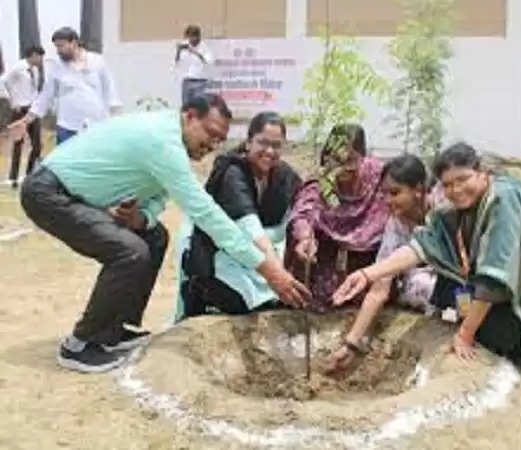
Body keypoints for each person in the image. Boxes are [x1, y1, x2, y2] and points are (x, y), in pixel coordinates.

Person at [20, 92, 310, 374]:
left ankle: (114, 330)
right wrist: (269, 270)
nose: (212, 144)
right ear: (189, 116)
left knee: (155, 237)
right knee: (130, 251)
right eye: (209, 134)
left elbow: (156, 199)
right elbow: (207, 214)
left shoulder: (172, 144)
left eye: (220, 140)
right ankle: (78, 345)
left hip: (75, 196)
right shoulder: (163, 141)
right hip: (50, 193)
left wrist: (140, 218)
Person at [334, 142, 521, 378]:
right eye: (448, 185)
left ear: (482, 173)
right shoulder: (453, 208)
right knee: (452, 291)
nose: (456, 190)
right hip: (498, 278)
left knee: (491, 331)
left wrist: (465, 333)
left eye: (463, 180)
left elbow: (493, 276)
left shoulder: (502, 198)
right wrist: (367, 274)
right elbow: (423, 246)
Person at [176, 111, 302, 319]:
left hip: (257, 262)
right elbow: (250, 229)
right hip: (220, 260)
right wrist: (277, 274)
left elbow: (304, 202)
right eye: (263, 143)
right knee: (241, 305)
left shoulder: (284, 175)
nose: (270, 151)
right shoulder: (232, 173)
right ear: (248, 142)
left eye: (277, 145)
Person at [328, 154, 439, 372]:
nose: (388, 200)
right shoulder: (395, 226)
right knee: (417, 283)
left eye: (395, 193)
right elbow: (379, 288)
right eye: (384, 194)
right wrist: (351, 343)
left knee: (427, 284)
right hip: (426, 291)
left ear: (418, 189)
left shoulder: (443, 214)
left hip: (458, 286)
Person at [287, 124, 390, 313]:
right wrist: (304, 238)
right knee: (320, 296)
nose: (340, 169)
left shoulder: (380, 177)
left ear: (362, 158)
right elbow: (304, 212)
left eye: (349, 161)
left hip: (370, 256)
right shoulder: (322, 181)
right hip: (327, 252)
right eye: (335, 160)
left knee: (368, 293)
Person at [9, 27, 121, 145]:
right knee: (66, 162)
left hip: (96, 125)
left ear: (74, 42)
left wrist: (115, 120)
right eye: (56, 46)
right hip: (67, 127)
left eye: (61, 46)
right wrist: (26, 120)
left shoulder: (97, 61)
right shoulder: (56, 67)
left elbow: (110, 91)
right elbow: (46, 96)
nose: (58, 50)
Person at [0, 45, 44, 188]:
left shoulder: (36, 70)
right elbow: (3, 82)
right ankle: (13, 177)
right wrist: (12, 101)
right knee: (18, 143)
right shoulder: (18, 67)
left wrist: (37, 106)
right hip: (19, 110)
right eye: (39, 56)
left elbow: (34, 89)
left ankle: (29, 175)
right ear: (32, 55)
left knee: (37, 144)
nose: (40, 59)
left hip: (32, 110)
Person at [175, 25, 214, 105]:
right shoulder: (185, 45)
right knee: (186, 106)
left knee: (199, 107)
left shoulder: (205, 47)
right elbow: (177, 62)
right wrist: (178, 51)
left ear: (198, 36)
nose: (191, 40)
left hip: (200, 81)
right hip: (187, 81)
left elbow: (208, 62)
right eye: (189, 37)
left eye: (193, 37)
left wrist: (194, 52)